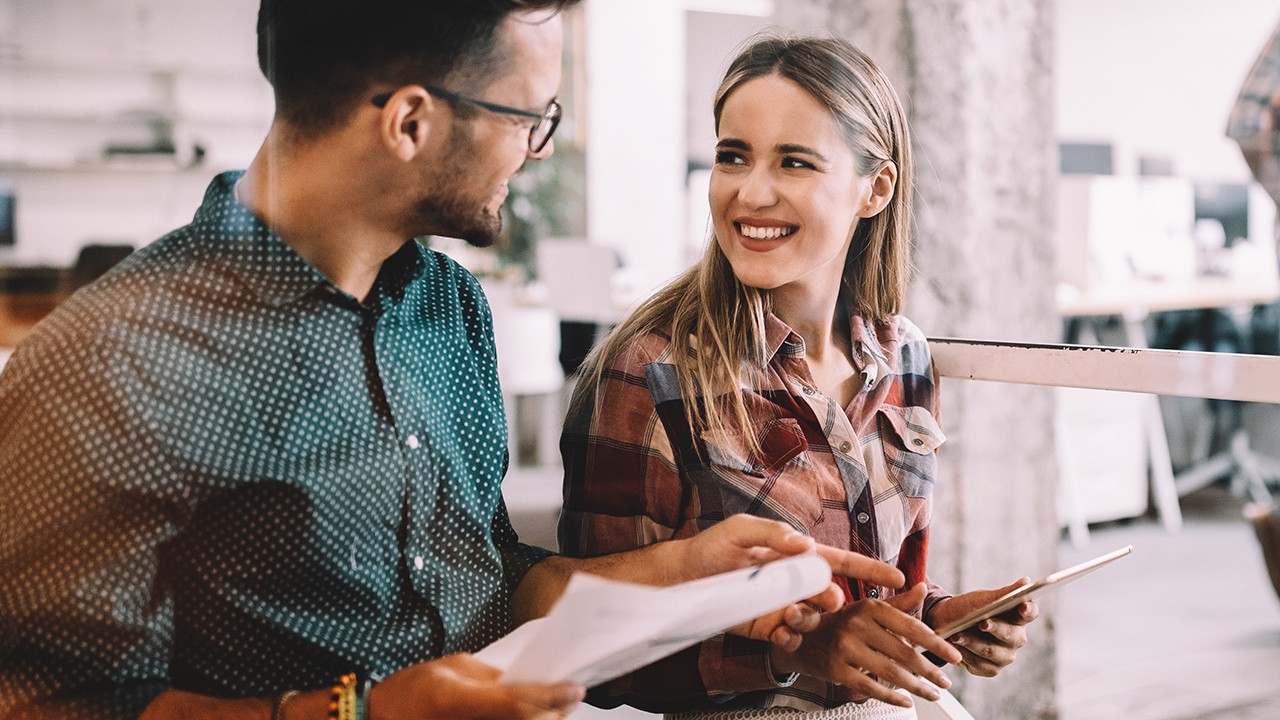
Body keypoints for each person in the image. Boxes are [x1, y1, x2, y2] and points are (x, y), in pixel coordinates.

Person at [0, 4, 905, 719]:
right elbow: (48, 701)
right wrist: (364, 714)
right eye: (530, 117)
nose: (536, 149)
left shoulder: (447, 310)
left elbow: (491, 581)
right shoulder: (109, 364)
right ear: (410, 123)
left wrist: (677, 575)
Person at [559, 35, 1040, 717]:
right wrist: (792, 652)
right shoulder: (652, 370)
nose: (752, 192)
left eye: (794, 162)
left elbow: (886, 593)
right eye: (733, 156)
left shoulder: (904, 356)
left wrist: (942, 616)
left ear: (875, 189)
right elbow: (591, 653)